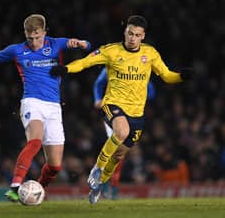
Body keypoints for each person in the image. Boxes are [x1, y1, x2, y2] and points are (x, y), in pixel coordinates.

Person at [50, 15, 193, 204]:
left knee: (119, 154)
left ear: (143, 36)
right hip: (113, 104)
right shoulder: (111, 51)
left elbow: (166, 76)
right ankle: (97, 169)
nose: (133, 38)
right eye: (130, 33)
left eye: (137, 35)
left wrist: (181, 76)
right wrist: (66, 69)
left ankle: (100, 183)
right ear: (125, 32)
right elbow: (85, 62)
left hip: (137, 114)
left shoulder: (150, 53)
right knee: (121, 131)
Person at [0, 14, 91, 201]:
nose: (34, 42)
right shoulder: (17, 50)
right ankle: (15, 186)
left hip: (53, 107)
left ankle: (36, 191)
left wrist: (83, 44)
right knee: (34, 142)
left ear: (45, 31)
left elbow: (88, 45)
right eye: (30, 38)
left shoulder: (57, 44)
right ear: (25, 34)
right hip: (32, 102)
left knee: (55, 167)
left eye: (38, 37)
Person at [93, 67, 155, 199]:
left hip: (133, 114)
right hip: (115, 112)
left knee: (121, 152)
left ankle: (112, 186)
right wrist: (97, 99)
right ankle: (105, 185)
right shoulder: (112, 67)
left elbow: (151, 93)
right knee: (115, 144)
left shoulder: (140, 72)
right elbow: (99, 83)